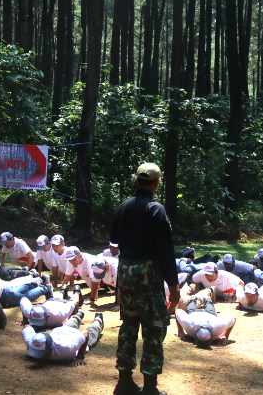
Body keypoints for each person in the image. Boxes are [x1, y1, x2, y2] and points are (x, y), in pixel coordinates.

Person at [111, 162, 178, 395]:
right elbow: (166, 251)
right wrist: (174, 284)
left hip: (126, 272)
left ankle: (124, 381)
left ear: (136, 181)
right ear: (156, 182)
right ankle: (150, 387)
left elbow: (114, 239)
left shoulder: (123, 207)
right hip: (148, 275)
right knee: (153, 328)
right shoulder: (156, 209)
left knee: (129, 324)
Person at [23, 311, 105, 364]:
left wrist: (80, 356)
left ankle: (98, 319)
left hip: (71, 336)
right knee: (71, 323)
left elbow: (85, 334)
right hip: (61, 331)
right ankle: (79, 314)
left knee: (92, 331)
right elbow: (27, 328)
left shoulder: (66, 348)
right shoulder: (32, 340)